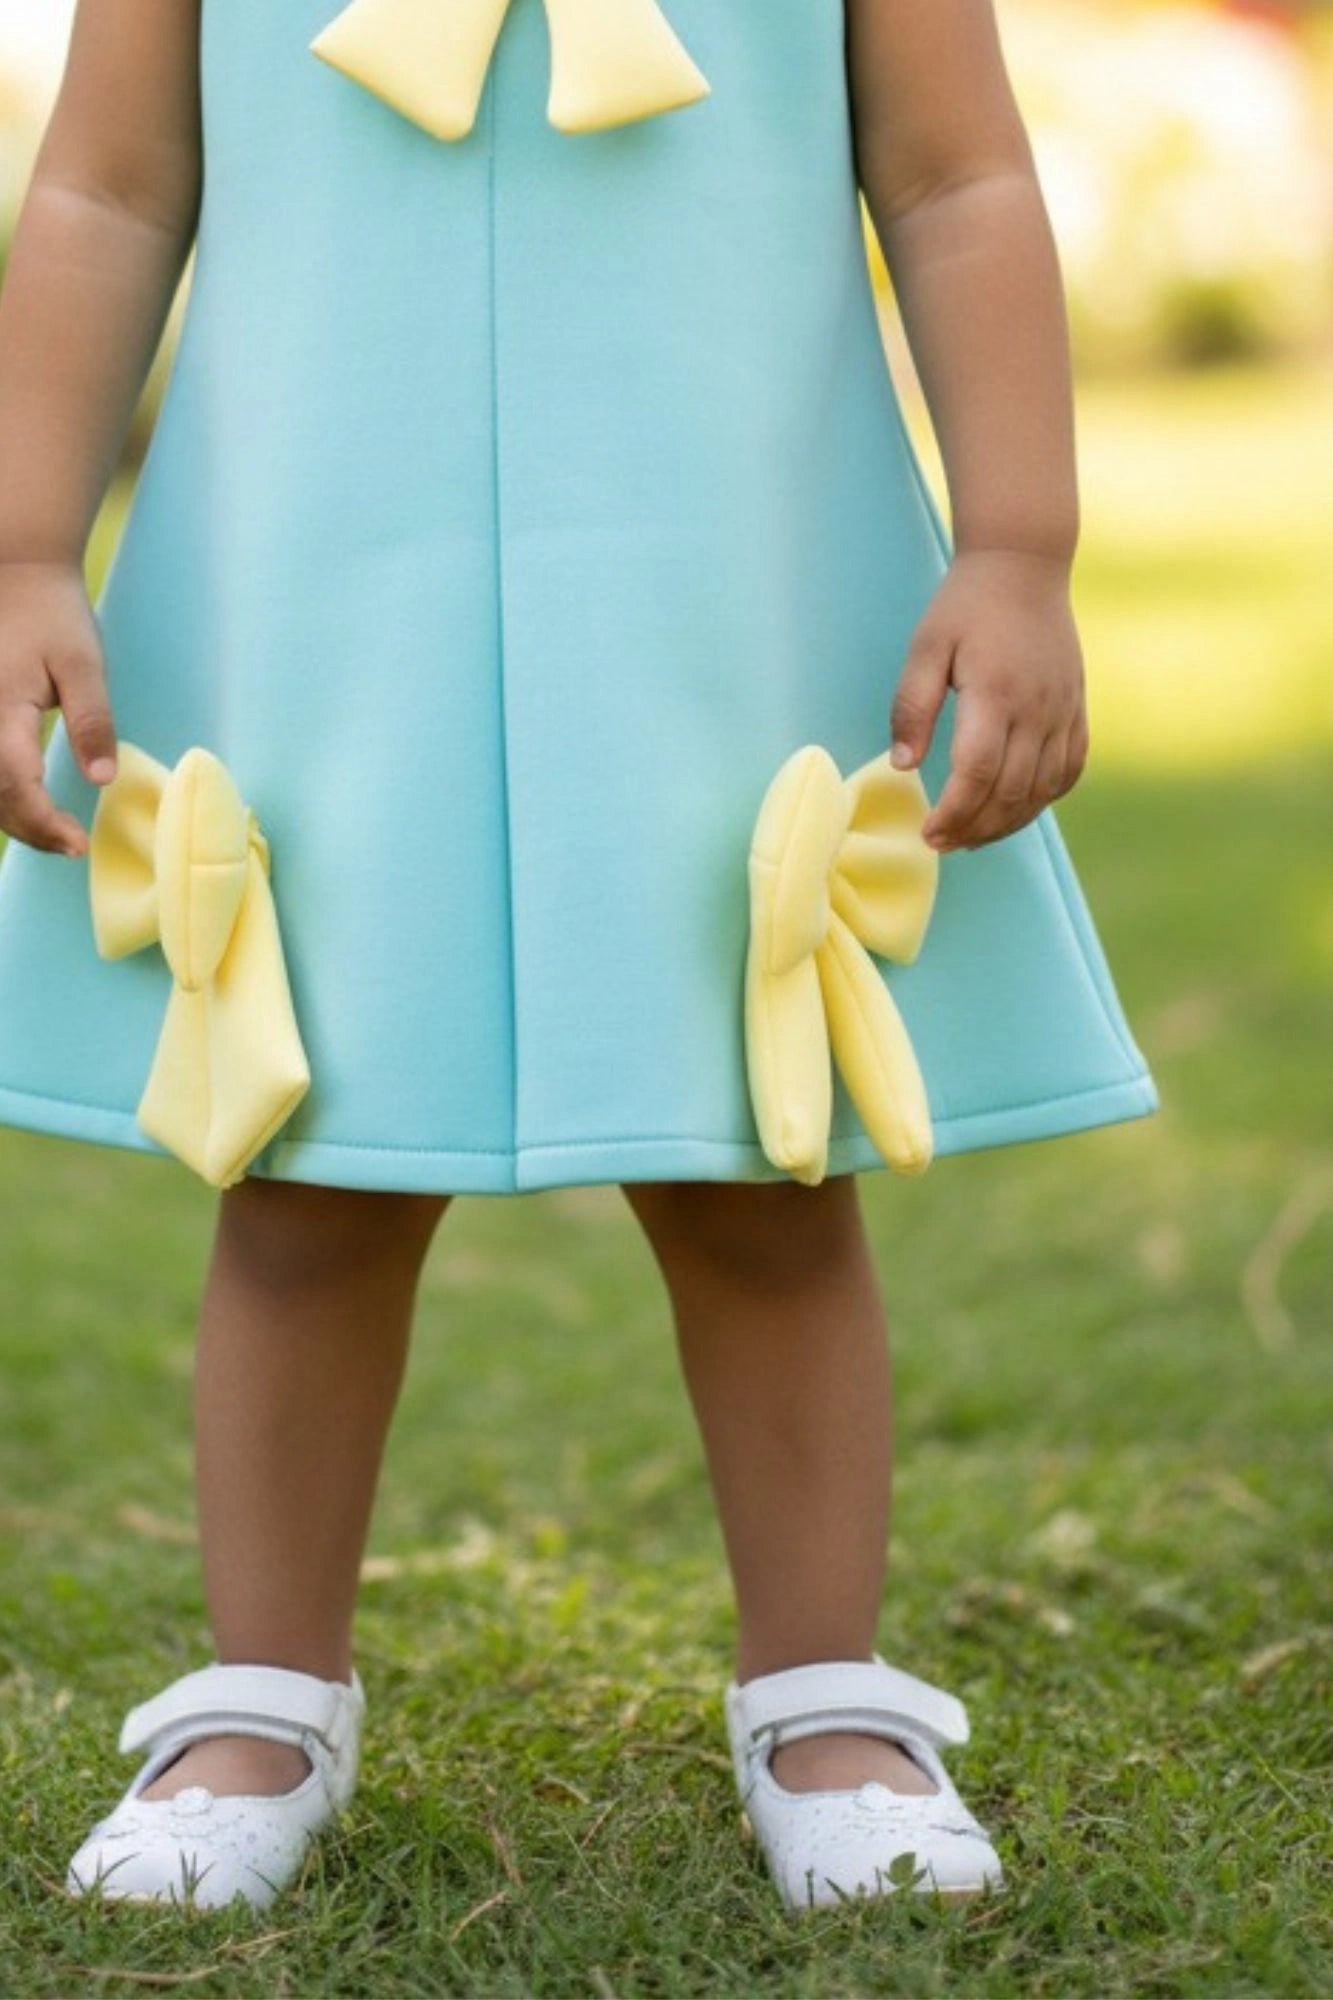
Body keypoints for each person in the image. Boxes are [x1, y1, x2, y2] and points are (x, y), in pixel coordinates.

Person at [0, 0, 1158, 1916]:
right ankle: (264, 1697)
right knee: (297, 1158)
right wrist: (27, 553)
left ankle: (823, 1697)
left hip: (722, 593)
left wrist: (1015, 547)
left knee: (761, 1152)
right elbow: (111, 187)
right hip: (324, 597)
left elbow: (955, 175)